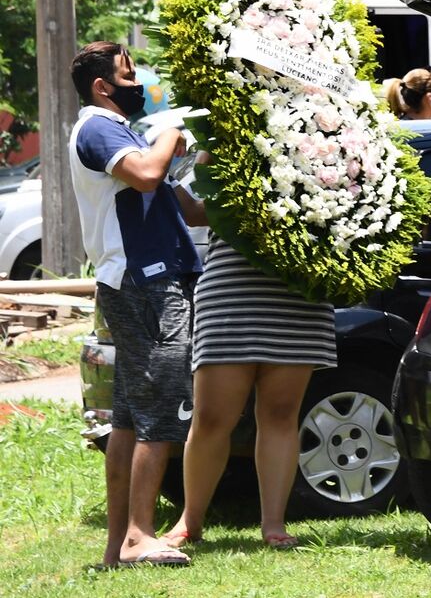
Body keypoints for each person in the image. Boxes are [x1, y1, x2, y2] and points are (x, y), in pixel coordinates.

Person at [68, 41, 204, 568]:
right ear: (104, 87)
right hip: (142, 282)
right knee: (164, 404)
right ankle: (139, 537)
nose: (139, 82)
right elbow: (147, 174)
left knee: (127, 415)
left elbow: (186, 210)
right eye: (129, 74)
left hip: (149, 278)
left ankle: (118, 544)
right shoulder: (100, 127)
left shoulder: (126, 135)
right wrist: (171, 132)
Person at [163, 153, 338, 551]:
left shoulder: (326, 146)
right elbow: (196, 211)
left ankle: (273, 525)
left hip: (297, 293)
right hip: (231, 293)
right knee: (210, 418)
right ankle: (190, 521)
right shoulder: (229, 138)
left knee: (279, 414)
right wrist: (171, 171)